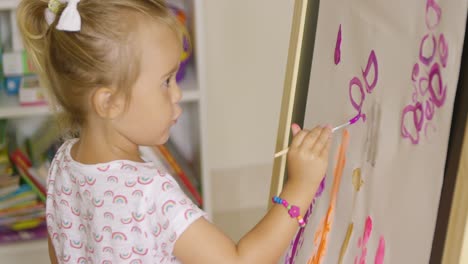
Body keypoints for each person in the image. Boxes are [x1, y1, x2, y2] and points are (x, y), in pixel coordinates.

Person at [17, 0, 332, 263]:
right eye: (166, 81)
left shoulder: (62, 163)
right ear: (109, 102)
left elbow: (60, 251)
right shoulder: (149, 193)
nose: (177, 94)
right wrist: (300, 186)